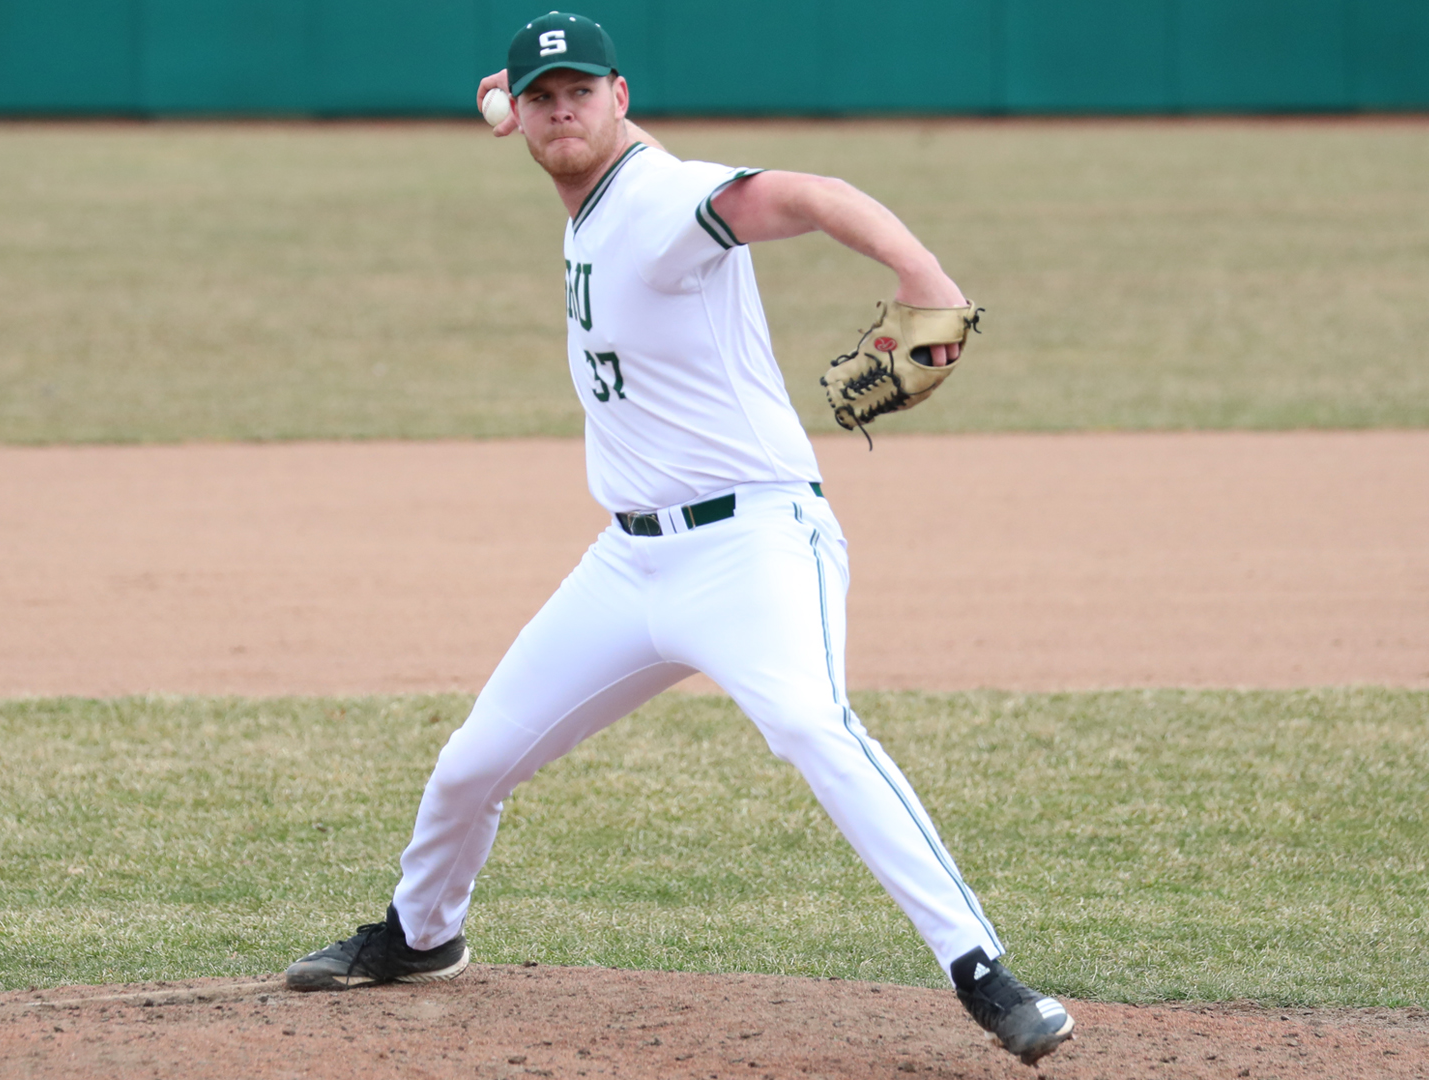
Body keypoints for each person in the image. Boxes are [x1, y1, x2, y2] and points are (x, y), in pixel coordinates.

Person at [284, 12, 1075, 1066]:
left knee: (811, 726)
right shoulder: (592, 182)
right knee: (472, 763)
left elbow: (814, 195)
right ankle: (421, 935)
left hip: (752, 544)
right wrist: (524, 113)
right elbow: (567, 136)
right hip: (627, 565)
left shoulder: (663, 199)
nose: (561, 111)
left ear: (622, 96)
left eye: (582, 91)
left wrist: (923, 278)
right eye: (542, 98)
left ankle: (982, 971)